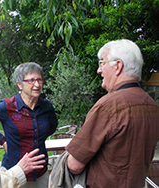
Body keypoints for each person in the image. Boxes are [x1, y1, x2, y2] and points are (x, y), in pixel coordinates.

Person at [65, 39, 159, 188]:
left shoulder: (108, 106)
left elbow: (74, 165)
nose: (99, 70)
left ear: (118, 66)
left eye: (102, 63)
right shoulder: (152, 106)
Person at [0, 62, 58, 188]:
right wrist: (2, 141)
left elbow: (52, 127)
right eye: (31, 80)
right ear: (19, 84)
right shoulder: (7, 107)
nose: (37, 84)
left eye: (40, 80)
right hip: (14, 173)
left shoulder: (47, 107)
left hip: (40, 174)